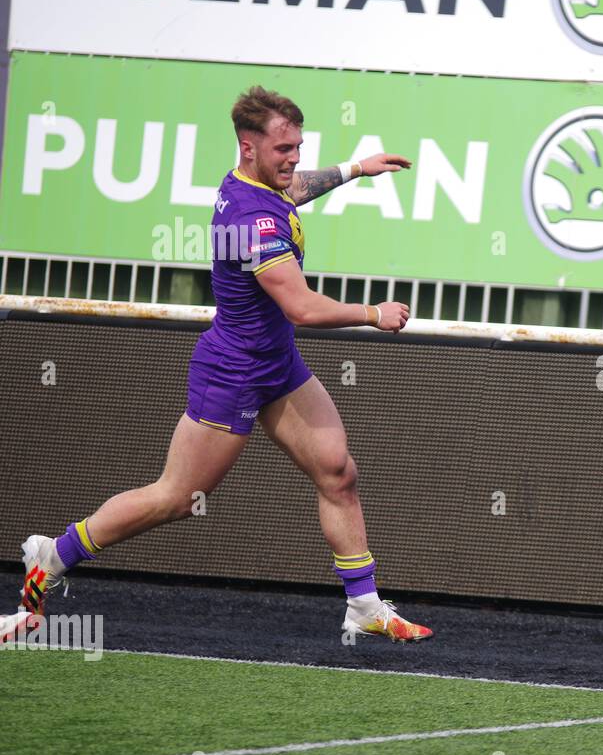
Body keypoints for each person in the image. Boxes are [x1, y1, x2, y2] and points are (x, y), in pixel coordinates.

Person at [2, 87, 431, 644]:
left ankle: (364, 606)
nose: (294, 158)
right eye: (284, 148)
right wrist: (374, 313)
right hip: (233, 374)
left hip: (276, 365)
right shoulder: (253, 219)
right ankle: (52, 555)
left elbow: (296, 189)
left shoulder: (256, 183)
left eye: (298, 145)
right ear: (249, 147)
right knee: (176, 498)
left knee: (337, 471)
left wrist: (354, 168)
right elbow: (301, 307)